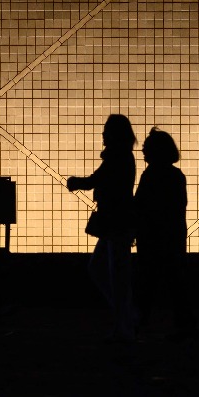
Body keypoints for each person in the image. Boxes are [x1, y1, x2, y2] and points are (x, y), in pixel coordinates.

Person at [67, 114, 138, 343]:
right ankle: (125, 316)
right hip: (117, 223)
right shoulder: (123, 156)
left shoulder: (117, 157)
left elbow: (96, 180)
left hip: (115, 223)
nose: (103, 133)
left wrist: (77, 182)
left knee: (111, 273)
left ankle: (123, 323)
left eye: (106, 129)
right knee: (106, 270)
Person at [133, 127, 197, 340]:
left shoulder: (150, 175)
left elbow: (140, 205)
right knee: (177, 282)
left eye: (146, 148)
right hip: (173, 235)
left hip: (151, 236)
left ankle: (138, 322)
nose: (143, 152)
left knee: (146, 282)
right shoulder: (176, 175)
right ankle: (185, 325)